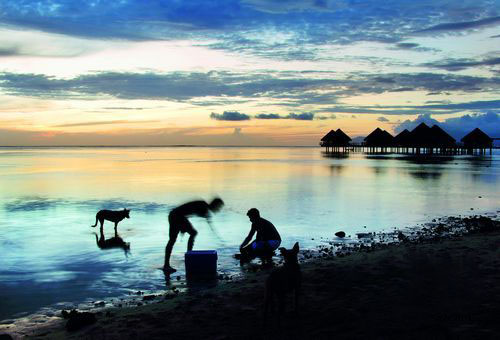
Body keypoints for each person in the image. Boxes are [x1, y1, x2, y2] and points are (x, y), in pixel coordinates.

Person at [163, 197, 224, 273]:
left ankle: (189, 256)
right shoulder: (203, 205)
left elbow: (190, 211)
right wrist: (183, 228)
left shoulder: (204, 207)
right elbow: (194, 210)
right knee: (174, 239)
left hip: (177, 216)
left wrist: (183, 227)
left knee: (191, 233)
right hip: (176, 216)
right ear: (214, 205)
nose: (218, 210)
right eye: (218, 207)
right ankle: (168, 264)